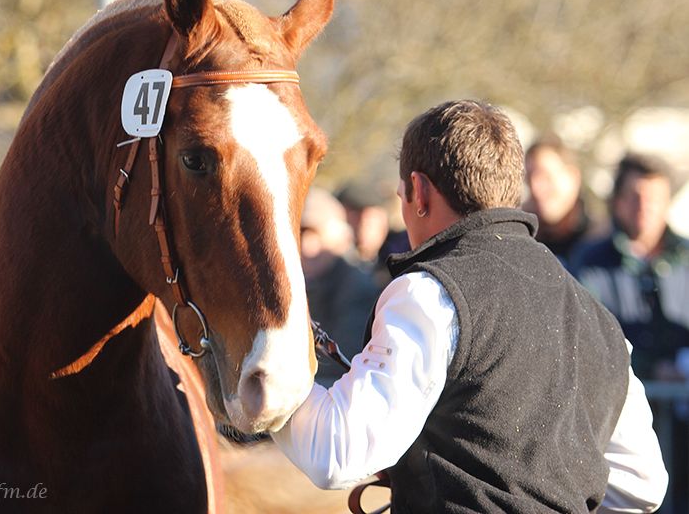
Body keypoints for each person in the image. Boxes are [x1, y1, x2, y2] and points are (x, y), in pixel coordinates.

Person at [274, 100, 668, 512]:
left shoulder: (427, 295)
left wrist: (267, 380)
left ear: (420, 192)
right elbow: (643, 485)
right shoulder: (597, 317)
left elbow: (336, 452)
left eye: (402, 195)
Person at [573, 154, 689, 381]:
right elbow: (587, 341)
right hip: (622, 402)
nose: (645, 207)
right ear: (618, 201)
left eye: (655, 198)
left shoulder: (685, 258)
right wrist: (648, 368)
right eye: (635, 196)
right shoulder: (591, 263)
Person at [300, 187, 381, 385]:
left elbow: (340, 365)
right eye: (298, 234)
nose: (305, 246)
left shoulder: (357, 288)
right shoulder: (303, 283)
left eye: (314, 234)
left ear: (339, 237)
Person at [523, 134, 600, 268]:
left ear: (573, 177)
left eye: (546, 176)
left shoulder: (599, 243)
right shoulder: (522, 241)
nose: (536, 188)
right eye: (529, 178)